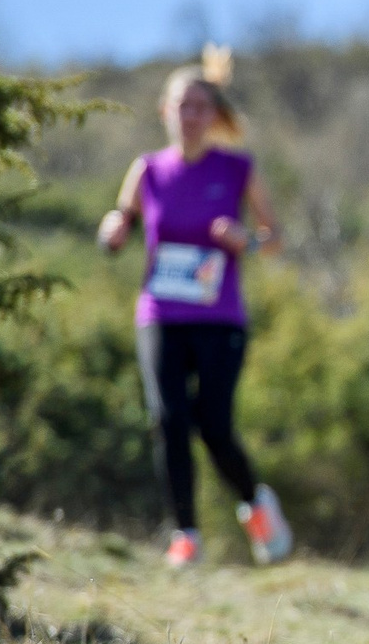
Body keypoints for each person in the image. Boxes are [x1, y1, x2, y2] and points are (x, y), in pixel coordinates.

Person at [97, 51, 295, 569]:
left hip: (219, 316)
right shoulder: (146, 170)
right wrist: (112, 231)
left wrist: (245, 242)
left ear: (214, 115)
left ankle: (256, 504)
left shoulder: (237, 168)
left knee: (214, 425)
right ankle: (185, 534)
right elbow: (120, 220)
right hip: (160, 311)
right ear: (164, 110)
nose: (191, 116)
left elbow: (273, 239)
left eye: (201, 107)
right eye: (183, 106)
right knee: (167, 419)